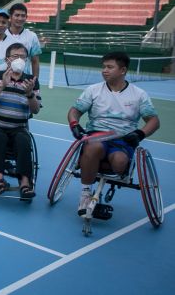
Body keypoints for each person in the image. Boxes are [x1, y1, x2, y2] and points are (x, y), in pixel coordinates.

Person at [67, 51, 160, 216]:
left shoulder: (139, 95)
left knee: (119, 163)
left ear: (123, 70)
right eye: (103, 67)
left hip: (123, 139)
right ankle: (86, 194)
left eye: (110, 67)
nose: (104, 70)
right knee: (93, 148)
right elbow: (75, 110)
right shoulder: (93, 90)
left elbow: (153, 121)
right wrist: (74, 124)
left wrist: (140, 134)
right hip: (98, 135)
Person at [0, 43, 41, 200]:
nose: (19, 59)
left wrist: (29, 94)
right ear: (7, 60)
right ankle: (0, 179)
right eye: (16, 56)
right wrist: (2, 86)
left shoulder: (31, 80)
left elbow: (35, 110)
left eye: (23, 57)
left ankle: (25, 184)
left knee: (23, 140)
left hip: (19, 127)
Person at [5, 3, 42, 77]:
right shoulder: (3, 35)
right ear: (10, 17)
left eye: (23, 16)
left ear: (26, 17)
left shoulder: (32, 36)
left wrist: (35, 82)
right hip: (4, 79)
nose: (20, 18)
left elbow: (35, 62)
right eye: (17, 15)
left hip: (23, 81)